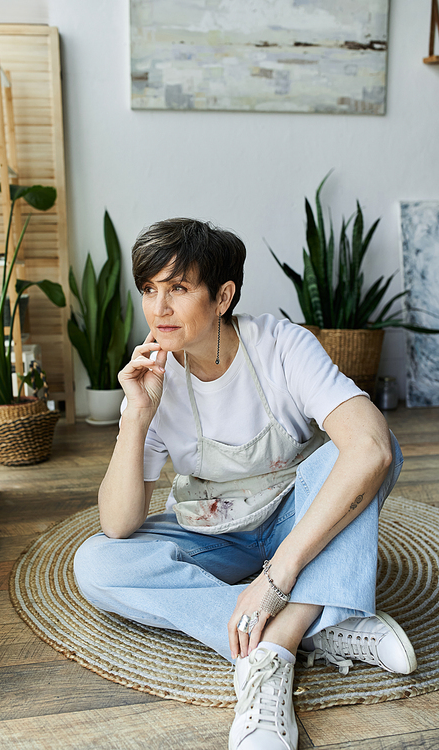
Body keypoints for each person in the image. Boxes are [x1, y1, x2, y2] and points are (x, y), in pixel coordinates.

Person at [74, 218, 416, 750]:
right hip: (214, 531)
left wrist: (276, 580)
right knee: (97, 562)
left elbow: (370, 446)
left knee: (370, 448)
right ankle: (317, 624)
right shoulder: (155, 374)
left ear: (223, 296)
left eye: (178, 289)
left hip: (293, 521)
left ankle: (275, 646)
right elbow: (119, 523)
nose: (158, 308)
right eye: (148, 290)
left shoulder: (282, 346)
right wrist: (137, 415)